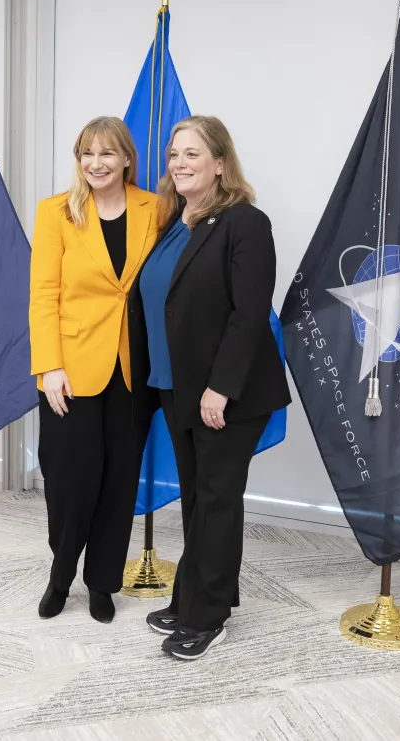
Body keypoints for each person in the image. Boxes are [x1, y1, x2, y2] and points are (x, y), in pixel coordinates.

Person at [129, 115, 290, 659]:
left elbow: (249, 315)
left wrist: (220, 388)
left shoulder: (246, 223)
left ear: (220, 163)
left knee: (217, 501)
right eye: (174, 154)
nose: (178, 163)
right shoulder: (177, 222)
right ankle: (192, 594)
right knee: (199, 498)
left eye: (192, 154)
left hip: (225, 393)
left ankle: (207, 615)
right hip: (176, 386)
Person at [30, 116, 158, 623]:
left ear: (126, 158)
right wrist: (49, 367)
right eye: (87, 153)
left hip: (134, 370)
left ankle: (103, 582)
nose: (96, 163)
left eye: (107, 153)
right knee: (69, 479)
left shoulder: (158, 207)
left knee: (119, 480)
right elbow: (43, 295)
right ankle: (61, 576)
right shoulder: (55, 212)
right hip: (72, 370)